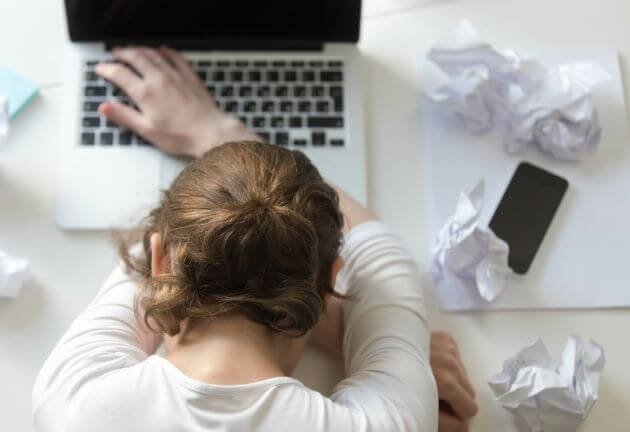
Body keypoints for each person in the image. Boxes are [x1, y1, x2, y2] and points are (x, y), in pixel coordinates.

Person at [32, 46, 478, 432]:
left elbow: (155, 251)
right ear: (330, 285)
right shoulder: (387, 422)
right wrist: (400, 355)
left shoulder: (72, 402)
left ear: (160, 261)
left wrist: (214, 146)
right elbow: (381, 257)